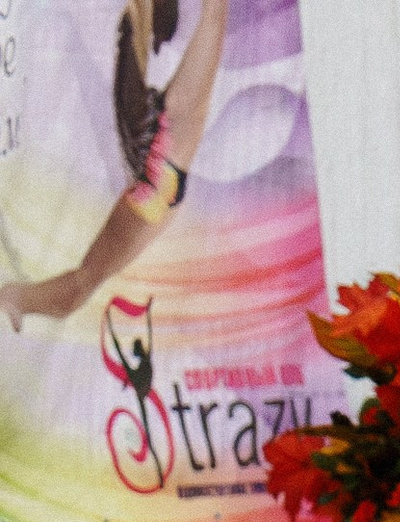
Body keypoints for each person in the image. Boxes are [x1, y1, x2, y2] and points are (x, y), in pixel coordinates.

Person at [3, 0, 230, 330]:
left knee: (81, 285)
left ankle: (16, 299)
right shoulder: (176, 109)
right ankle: (13, 298)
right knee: (79, 287)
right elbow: (213, 17)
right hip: (157, 191)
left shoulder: (172, 108)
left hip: (159, 188)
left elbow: (213, 17)